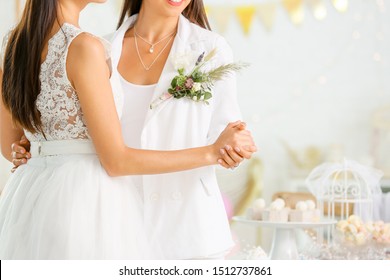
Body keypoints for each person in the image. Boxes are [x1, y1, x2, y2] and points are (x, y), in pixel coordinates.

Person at [0, 0, 256, 259]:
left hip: (184, 221)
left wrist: (229, 148)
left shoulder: (210, 49)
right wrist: (32, 147)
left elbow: (227, 132)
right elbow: (114, 158)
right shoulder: (94, 46)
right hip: (103, 208)